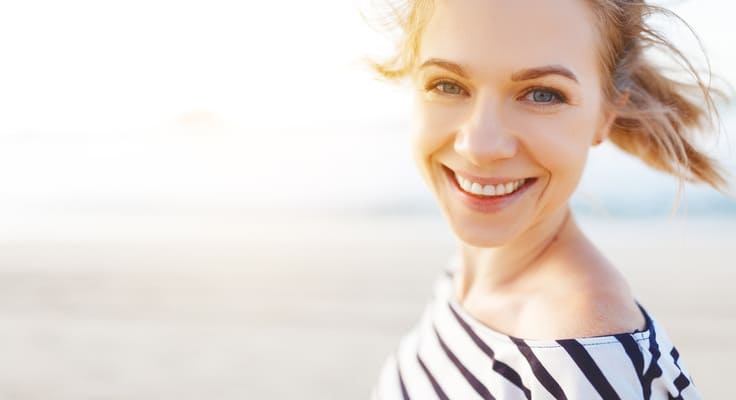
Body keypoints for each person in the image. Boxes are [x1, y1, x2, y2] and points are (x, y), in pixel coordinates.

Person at [368, 0, 730, 399]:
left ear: (605, 115)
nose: (480, 145)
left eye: (542, 94)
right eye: (447, 85)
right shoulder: (468, 271)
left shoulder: (579, 355)